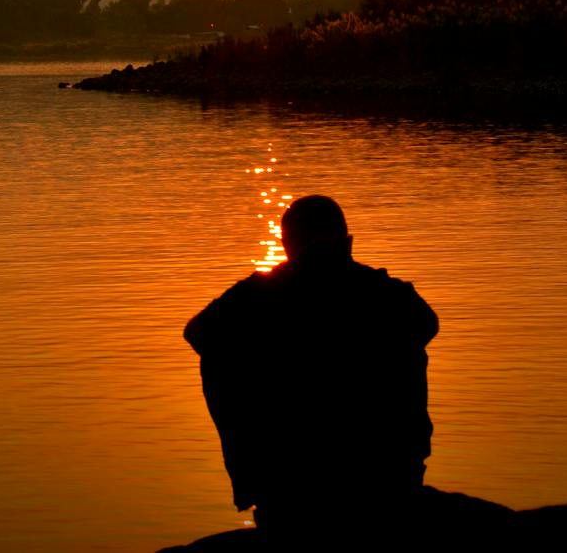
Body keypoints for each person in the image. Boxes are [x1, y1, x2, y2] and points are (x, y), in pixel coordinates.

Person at [184, 195, 438, 544]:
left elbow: (198, 333)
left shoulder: (259, 294)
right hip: (386, 470)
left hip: (293, 474)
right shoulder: (386, 293)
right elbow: (427, 325)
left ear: (287, 247)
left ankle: (259, 480)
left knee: (218, 354)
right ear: (348, 243)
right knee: (406, 343)